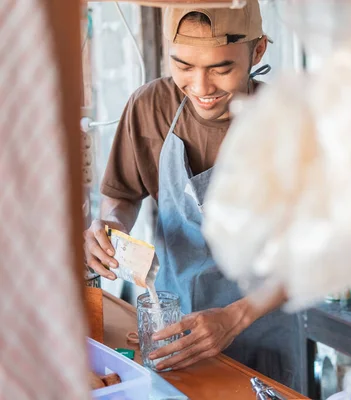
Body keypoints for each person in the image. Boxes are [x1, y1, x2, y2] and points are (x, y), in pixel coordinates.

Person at [83, 2, 300, 390]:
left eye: (222, 69)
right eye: (183, 66)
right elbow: (123, 194)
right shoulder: (150, 107)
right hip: (172, 330)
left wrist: (233, 318)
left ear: (258, 51)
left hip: (262, 329)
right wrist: (109, 228)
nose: (201, 88)